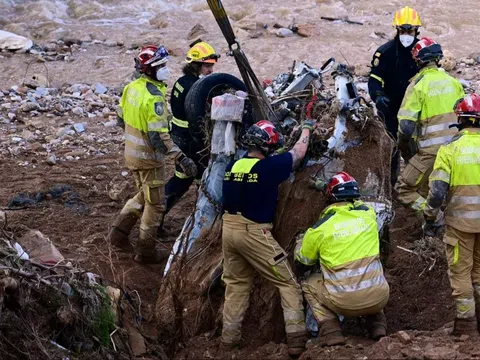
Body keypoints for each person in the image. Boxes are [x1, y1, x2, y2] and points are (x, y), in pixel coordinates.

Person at [221, 119, 315, 356]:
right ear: (267, 147)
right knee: (288, 284)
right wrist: (306, 129)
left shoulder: (234, 166)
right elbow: (298, 153)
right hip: (253, 233)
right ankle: (297, 342)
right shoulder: (270, 168)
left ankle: (228, 343)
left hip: (229, 230)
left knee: (236, 285)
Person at [106, 45, 197, 264]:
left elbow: (121, 119)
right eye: (162, 66)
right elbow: (159, 138)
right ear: (151, 70)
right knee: (155, 204)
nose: (166, 69)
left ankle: (118, 234)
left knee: (143, 194)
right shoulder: (154, 98)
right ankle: (146, 251)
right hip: (148, 159)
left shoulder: (132, 88)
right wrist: (181, 157)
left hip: (131, 154)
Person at [295, 172, 389, 346]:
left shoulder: (319, 229)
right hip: (379, 298)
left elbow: (302, 264)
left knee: (308, 282)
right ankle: (377, 327)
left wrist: (301, 242)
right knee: (371, 275)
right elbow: (359, 204)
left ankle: (331, 332)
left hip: (343, 303)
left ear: (331, 198)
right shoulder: (368, 215)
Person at [423, 94, 480, 336]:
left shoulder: (449, 151)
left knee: (461, 273)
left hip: (460, 224)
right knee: (479, 272)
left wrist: (429, 215)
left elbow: (437, 192)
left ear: (460, 120)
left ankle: (466, 326)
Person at [396, 37, 465, 212]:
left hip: (430, 152)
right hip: (457, 150)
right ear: (438, 58)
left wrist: (405, 150)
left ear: (417, 60)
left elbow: (405, 128)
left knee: (403, 188)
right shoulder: (454, 83)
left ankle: (433, 218)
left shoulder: (417, 86)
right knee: (446, 189)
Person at [164, 40, 220, 214]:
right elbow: (201, 114)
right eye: (207, 66)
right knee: (194, 178)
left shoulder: (181, 81)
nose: (211, 70)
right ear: (196, 65)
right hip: (190, 141)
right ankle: (159, 214)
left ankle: (158, 216)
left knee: (184, 177)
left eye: (212, 66)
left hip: (179, 136)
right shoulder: (196, 88)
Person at [368, 6, 421, 186]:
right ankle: (390, 185)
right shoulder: (385, 52)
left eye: (410, 30)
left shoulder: (423, 53)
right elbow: (374, 80)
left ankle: (414, 186)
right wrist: (378, 96)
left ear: (417, 31)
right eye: (402, 30)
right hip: (390, 109)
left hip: (416, 111)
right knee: (390, 149)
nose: (406, 34)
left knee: (417, 152)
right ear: (397, 30)